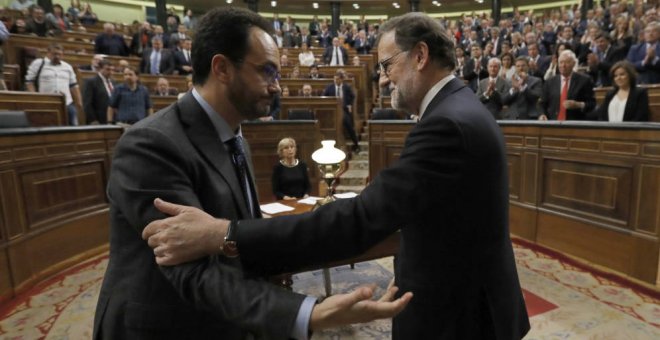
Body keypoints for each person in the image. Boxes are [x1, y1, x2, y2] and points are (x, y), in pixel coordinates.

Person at [143, 11, 530, 340]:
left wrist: (225, 235)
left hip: (460, 313)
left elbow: (362, 219)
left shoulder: (446, 123)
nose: (382, 78)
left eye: (386, 65)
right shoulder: (460, 109)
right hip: (465, 300)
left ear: (420, 56)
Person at [94, 7, 411, 340]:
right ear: (222, 69)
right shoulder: (150, 144)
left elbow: (241, 241)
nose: (276, 86)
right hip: (164, 327)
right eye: (267, 72)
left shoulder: (236, 139)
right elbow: (194, 272)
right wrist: (308, 313)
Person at [25, 43, 82, 125]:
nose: (57, 56)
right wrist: (35, 97)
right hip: (46, 103)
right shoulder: (38, 63)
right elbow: (29, 82)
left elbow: (73, 85)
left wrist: (79, 102)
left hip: (67, 103)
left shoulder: (67, 67)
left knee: (73, 127)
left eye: (60, 54)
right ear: (48, 53)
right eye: (54, 54)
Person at [539, 50, 596, 120]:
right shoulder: (550, 82)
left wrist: (578, 105)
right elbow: (542, 103)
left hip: (575, 124)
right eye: (561, 62)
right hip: (553, 123)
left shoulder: (585, 80)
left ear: (574, 63)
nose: (563, 65)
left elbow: (592, 104)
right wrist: (542, 114)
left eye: (567, 62)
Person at [322, 69, 360, 152]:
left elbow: (352, 96)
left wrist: (349, 104)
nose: (336, 81)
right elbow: (324, 97)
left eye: (338, 79)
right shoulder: (329, 87)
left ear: (342, 79)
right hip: (332, 111)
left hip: (344, 109)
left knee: (348, 125)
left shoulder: (346, 87)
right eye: (335, 79)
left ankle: (356, 144)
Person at [83, 59, 114, 124]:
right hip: (98, 119)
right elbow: (87, 103)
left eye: (112, 70)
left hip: (112, 118)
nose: (110, 72)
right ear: (100, 69)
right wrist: (93, 119)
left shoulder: (113, 82)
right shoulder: (91, 82)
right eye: (108, 69)